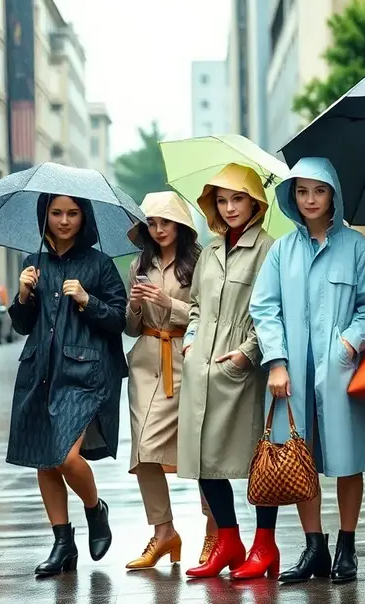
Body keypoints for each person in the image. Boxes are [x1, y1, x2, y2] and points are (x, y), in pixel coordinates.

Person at [250, 156, 365, 584]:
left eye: (319, 191)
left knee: (348, 460)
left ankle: (347, 545)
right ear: (292, 197)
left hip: (341, 369)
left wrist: (349, 342)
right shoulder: (281, 251)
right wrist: (276, 362)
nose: (310, 199)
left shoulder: (358, 248)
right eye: (302, 191)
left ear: (334, 196)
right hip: (291, 373)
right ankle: (315, 547)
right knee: (298, 457)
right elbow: (265, 308)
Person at [8, 194, 127, 576]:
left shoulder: (99, 264)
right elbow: (23, 325)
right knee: (44, 459)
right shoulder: (33, 263)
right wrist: (24, 295)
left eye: (72, 213)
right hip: (39, 371)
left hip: (84, 374)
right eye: (56, 213)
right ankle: (62, 542)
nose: (63, 220)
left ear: (83, 217)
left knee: (65, 457)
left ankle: (95, 509)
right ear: (45, 215)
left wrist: (87, 299)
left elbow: (119, 318)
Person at [177, 163, 276, 579]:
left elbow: (273, 310)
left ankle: (264, 545)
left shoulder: (269, 248)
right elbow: (198, 305)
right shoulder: (211, 251)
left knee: (258, 460)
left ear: (254, 201)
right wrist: (190, 340)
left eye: (238, 198)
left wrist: (246, 355)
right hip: (201, 366)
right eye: (222, 200)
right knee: (202, 457)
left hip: (243, 370)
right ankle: (229, 540)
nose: (230, 207)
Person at [123, 192, 204, 569]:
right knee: (143, 451)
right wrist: (136, 305)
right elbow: (131, 326)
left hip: (186, 362)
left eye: (165, 222)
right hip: (145, 364)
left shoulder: (199, 262)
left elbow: (207, 316)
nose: (158, 230)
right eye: (152, 223)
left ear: (181, 225)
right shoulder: (140, 263)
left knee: (200, 450)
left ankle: (217, 532)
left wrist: (168, 302)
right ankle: (163, 532)